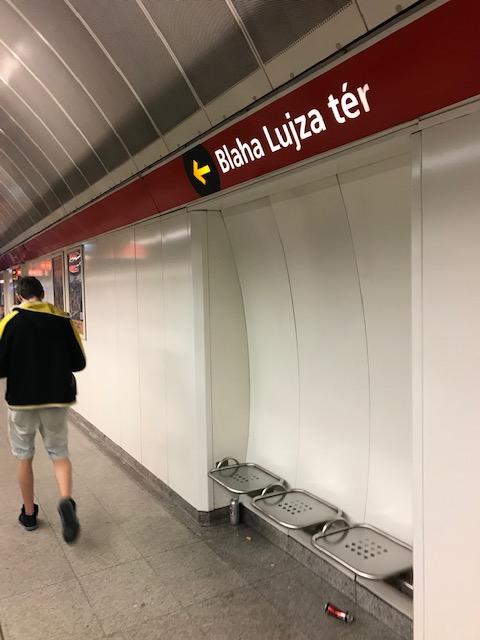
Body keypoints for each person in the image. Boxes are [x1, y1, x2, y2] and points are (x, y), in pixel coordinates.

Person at [0, 276, 86, 543]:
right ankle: (66, 501)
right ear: (42, 294)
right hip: (56, 399)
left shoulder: (9, 322)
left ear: (19, 297)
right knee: (59, 453)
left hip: (22, 401)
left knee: (24, 456)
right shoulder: (62, 320)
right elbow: (79, 362)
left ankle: (28, 514)